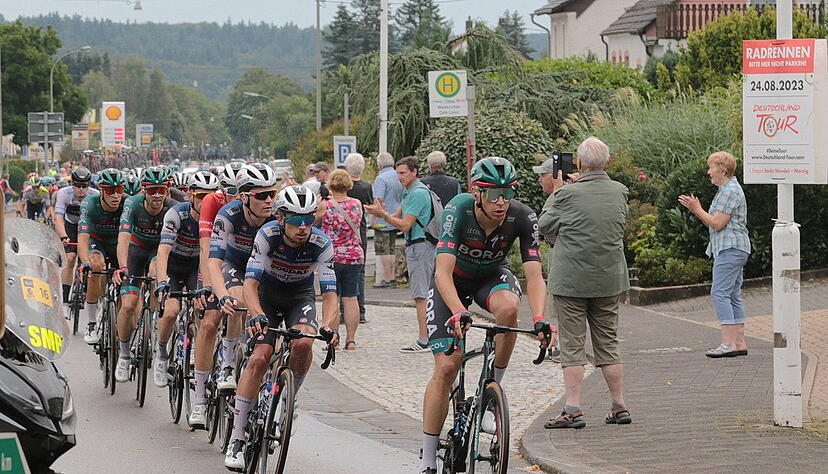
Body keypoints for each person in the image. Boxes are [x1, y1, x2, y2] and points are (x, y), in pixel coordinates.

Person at [416, 157, 552, 474]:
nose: (501, 201)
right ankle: (427, 460)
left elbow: (534, 276)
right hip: (452, 282)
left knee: (510, 308)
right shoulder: (459, 210)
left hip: (490, 278)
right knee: (447, 367)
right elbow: (442, 273)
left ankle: (492, 392)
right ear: (476, 193)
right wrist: (459, 311)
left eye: (507, 193)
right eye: (493, 194)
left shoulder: (523, 216)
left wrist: (539, 318)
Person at [224, 185, 340, 471]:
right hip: (266, 294)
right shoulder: (268, 235)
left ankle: (290, 396)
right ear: (281, 218)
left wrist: (329, 326)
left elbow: (330, 294)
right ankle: (237, 438)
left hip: (299, 296)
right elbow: (250, 284)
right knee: (260, 358)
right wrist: (255, 315)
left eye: (308, 220)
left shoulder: (321, 243)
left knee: (303, 342)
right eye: (296, 220)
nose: (303, 227)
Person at [538, 136, 632, 429]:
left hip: (571, 281)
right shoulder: (620, 191)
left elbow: (544, 226)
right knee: (609, 342)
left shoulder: (566, 194)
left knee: (572, 345)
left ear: (578, 163)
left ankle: (573, 409)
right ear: (607, 162)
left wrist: (557, 191)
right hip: (609, 278)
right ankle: (619, 405)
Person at [208, 163, 277, 395]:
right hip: (235, 265)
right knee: (236, 301)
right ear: (244, 197)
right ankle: (227, 364)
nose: (269, 200)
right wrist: (222, 295)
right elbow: (213, 262)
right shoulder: (228, 214)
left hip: (263, 271)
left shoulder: (278, 217)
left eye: (272, 193)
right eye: (262, 195)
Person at [679, 151, 751, 358]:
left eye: (711, 167)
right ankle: (739, 343)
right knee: (732, 294)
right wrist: (697, 209)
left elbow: (718, 224)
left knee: (719, 293)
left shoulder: (729, 191)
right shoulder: (727, 190)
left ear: (723, 170)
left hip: (730, 248)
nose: (708, 172)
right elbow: (714, 223)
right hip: (735, 248)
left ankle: (728, 343)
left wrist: (696, 209)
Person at [154, 171, 218, 394]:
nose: (206, 201)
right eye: (201, 196)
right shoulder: (176, 214)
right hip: (173, 266)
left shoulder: (217, 218)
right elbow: (163, 251)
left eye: (210, 196)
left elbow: (210, 255)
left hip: (195, 268)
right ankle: (161, 352)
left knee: (203, 313)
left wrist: (210, 286)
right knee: (171, 311)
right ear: (190, 195)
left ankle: (198, 354)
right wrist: (161, 282)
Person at [112, 166, 177, 383]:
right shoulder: (132, 204)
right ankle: (123, 355)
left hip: (158, 252)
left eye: (161, 189)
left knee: (155, 270)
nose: (157, 195)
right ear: (144, 190)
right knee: (128, 305)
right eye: (151, 190)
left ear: (167, 189)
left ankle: (156, 316)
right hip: (135, 251)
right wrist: (123, 267)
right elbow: (123, 238)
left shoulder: (173, 207)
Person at [366, 156, 435, 353]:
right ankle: (431, 336)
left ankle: (425, 339)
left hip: (421, 247)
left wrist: (383, 215)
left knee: (421, 295)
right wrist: (380, 212)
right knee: (424, 293)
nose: (399, 177)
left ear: (414, 172)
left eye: (403, 173)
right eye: (397, 173)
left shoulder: (417, 193)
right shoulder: (409, 191)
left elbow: (405, 225)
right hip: (418, 246)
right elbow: (397, 215)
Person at [77, 168, 126, 344]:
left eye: (119, 190)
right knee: (96, 267)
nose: (115, 195)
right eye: (110, 190)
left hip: (119, 244)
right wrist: (85, 262)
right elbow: (82, 237)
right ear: (101, 191)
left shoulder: (127, 203)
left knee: (126, 277)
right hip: (97, 242)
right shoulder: (89, 203)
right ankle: (91, 323)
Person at [318, 170, 364, 350]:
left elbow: (311, 222)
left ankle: (333, 339)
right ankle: (351, 340)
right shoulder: (357, 204)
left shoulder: (325, 206)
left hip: (332, 257)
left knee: (332, 298)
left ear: (330, 184)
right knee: (351, 297)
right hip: (354, 256)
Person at [533, 157, 564, 363]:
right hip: (558, 253)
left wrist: (556, 195)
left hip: (563, 256)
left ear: (554, 177)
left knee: (562, 304)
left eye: (542, 175)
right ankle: (558, 345)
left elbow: (544, 227)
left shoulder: (559, 198)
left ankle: (562, 348)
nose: (539, 180)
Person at [54, 167, 98, 310]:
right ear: (72, 184)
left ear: (89, 185)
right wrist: (63, 236)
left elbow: (98, 221)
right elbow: (58, 218)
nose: (81, 189)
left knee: (88, 260)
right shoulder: (63, 193)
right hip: (71, 226)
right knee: (70, 258)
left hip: (88, 227)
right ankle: (65, 297)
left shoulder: (95, 195)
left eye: (84, 186)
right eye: (77, 185)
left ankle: (85, 288)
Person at [344, 153, 374, 323]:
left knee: (341, 273)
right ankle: (360, 310)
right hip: (359, 232)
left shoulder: (343, 187)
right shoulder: (366, 187)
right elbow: (369, 207)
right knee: (360, 273)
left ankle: (343, 311)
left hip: (342, 234)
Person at [371, 152, 403, 288]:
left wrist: (373, 219)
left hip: (382, 219)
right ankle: (394, 276)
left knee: (383, 249)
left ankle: (388, 277)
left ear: (380, 164)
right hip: (396, 217)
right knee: (392, 247)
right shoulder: (398, 176)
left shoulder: (381, 178)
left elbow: (378, 200)